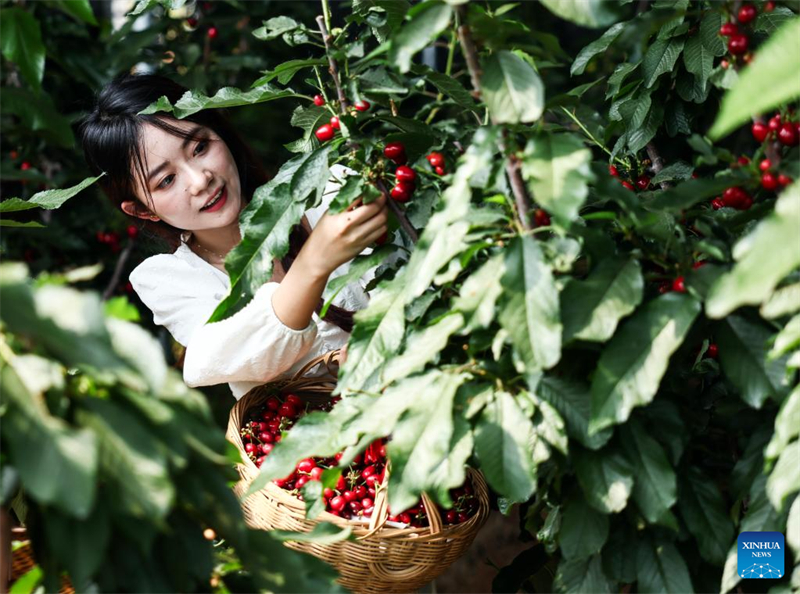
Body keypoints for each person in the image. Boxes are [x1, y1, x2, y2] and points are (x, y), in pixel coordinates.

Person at [77, 72, 391, 400]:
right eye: (166, 180)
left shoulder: (331, 193)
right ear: (143, 210)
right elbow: (219, 356)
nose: (200, 180)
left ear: (220, 133)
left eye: (199, 147)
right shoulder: (172, 282)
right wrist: (315, 261)